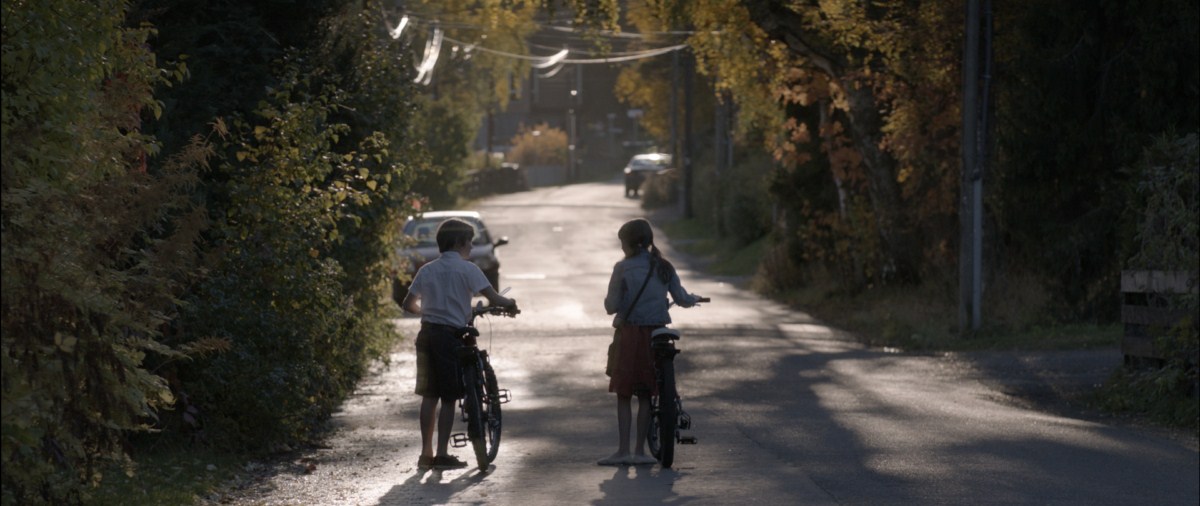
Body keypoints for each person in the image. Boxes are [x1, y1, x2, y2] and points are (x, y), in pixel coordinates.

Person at [402, 218, 517, 470]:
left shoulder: (427, 270)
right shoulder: (468, 269)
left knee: (429, 395)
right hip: (452, 336)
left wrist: (431, 312)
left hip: (428, 334)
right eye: (470, 242)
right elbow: (494, 297)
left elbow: (407, 304)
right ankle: (442, 454)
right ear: (458, 242)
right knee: (449, 396)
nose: (472, 247)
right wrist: (510, 304)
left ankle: (426, 453)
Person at [599, 218, 701, 466]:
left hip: (631, 334)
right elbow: (681, 297)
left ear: (629, 244)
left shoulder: (622, 268)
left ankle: (623, 451)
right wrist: (694, 298)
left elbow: (611, 306)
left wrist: (617, 301)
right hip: (658, 333)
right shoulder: (665, 266)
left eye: (622, 244)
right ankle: (641, 452)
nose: (622, 249)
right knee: (646, 392)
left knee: (624, 393)